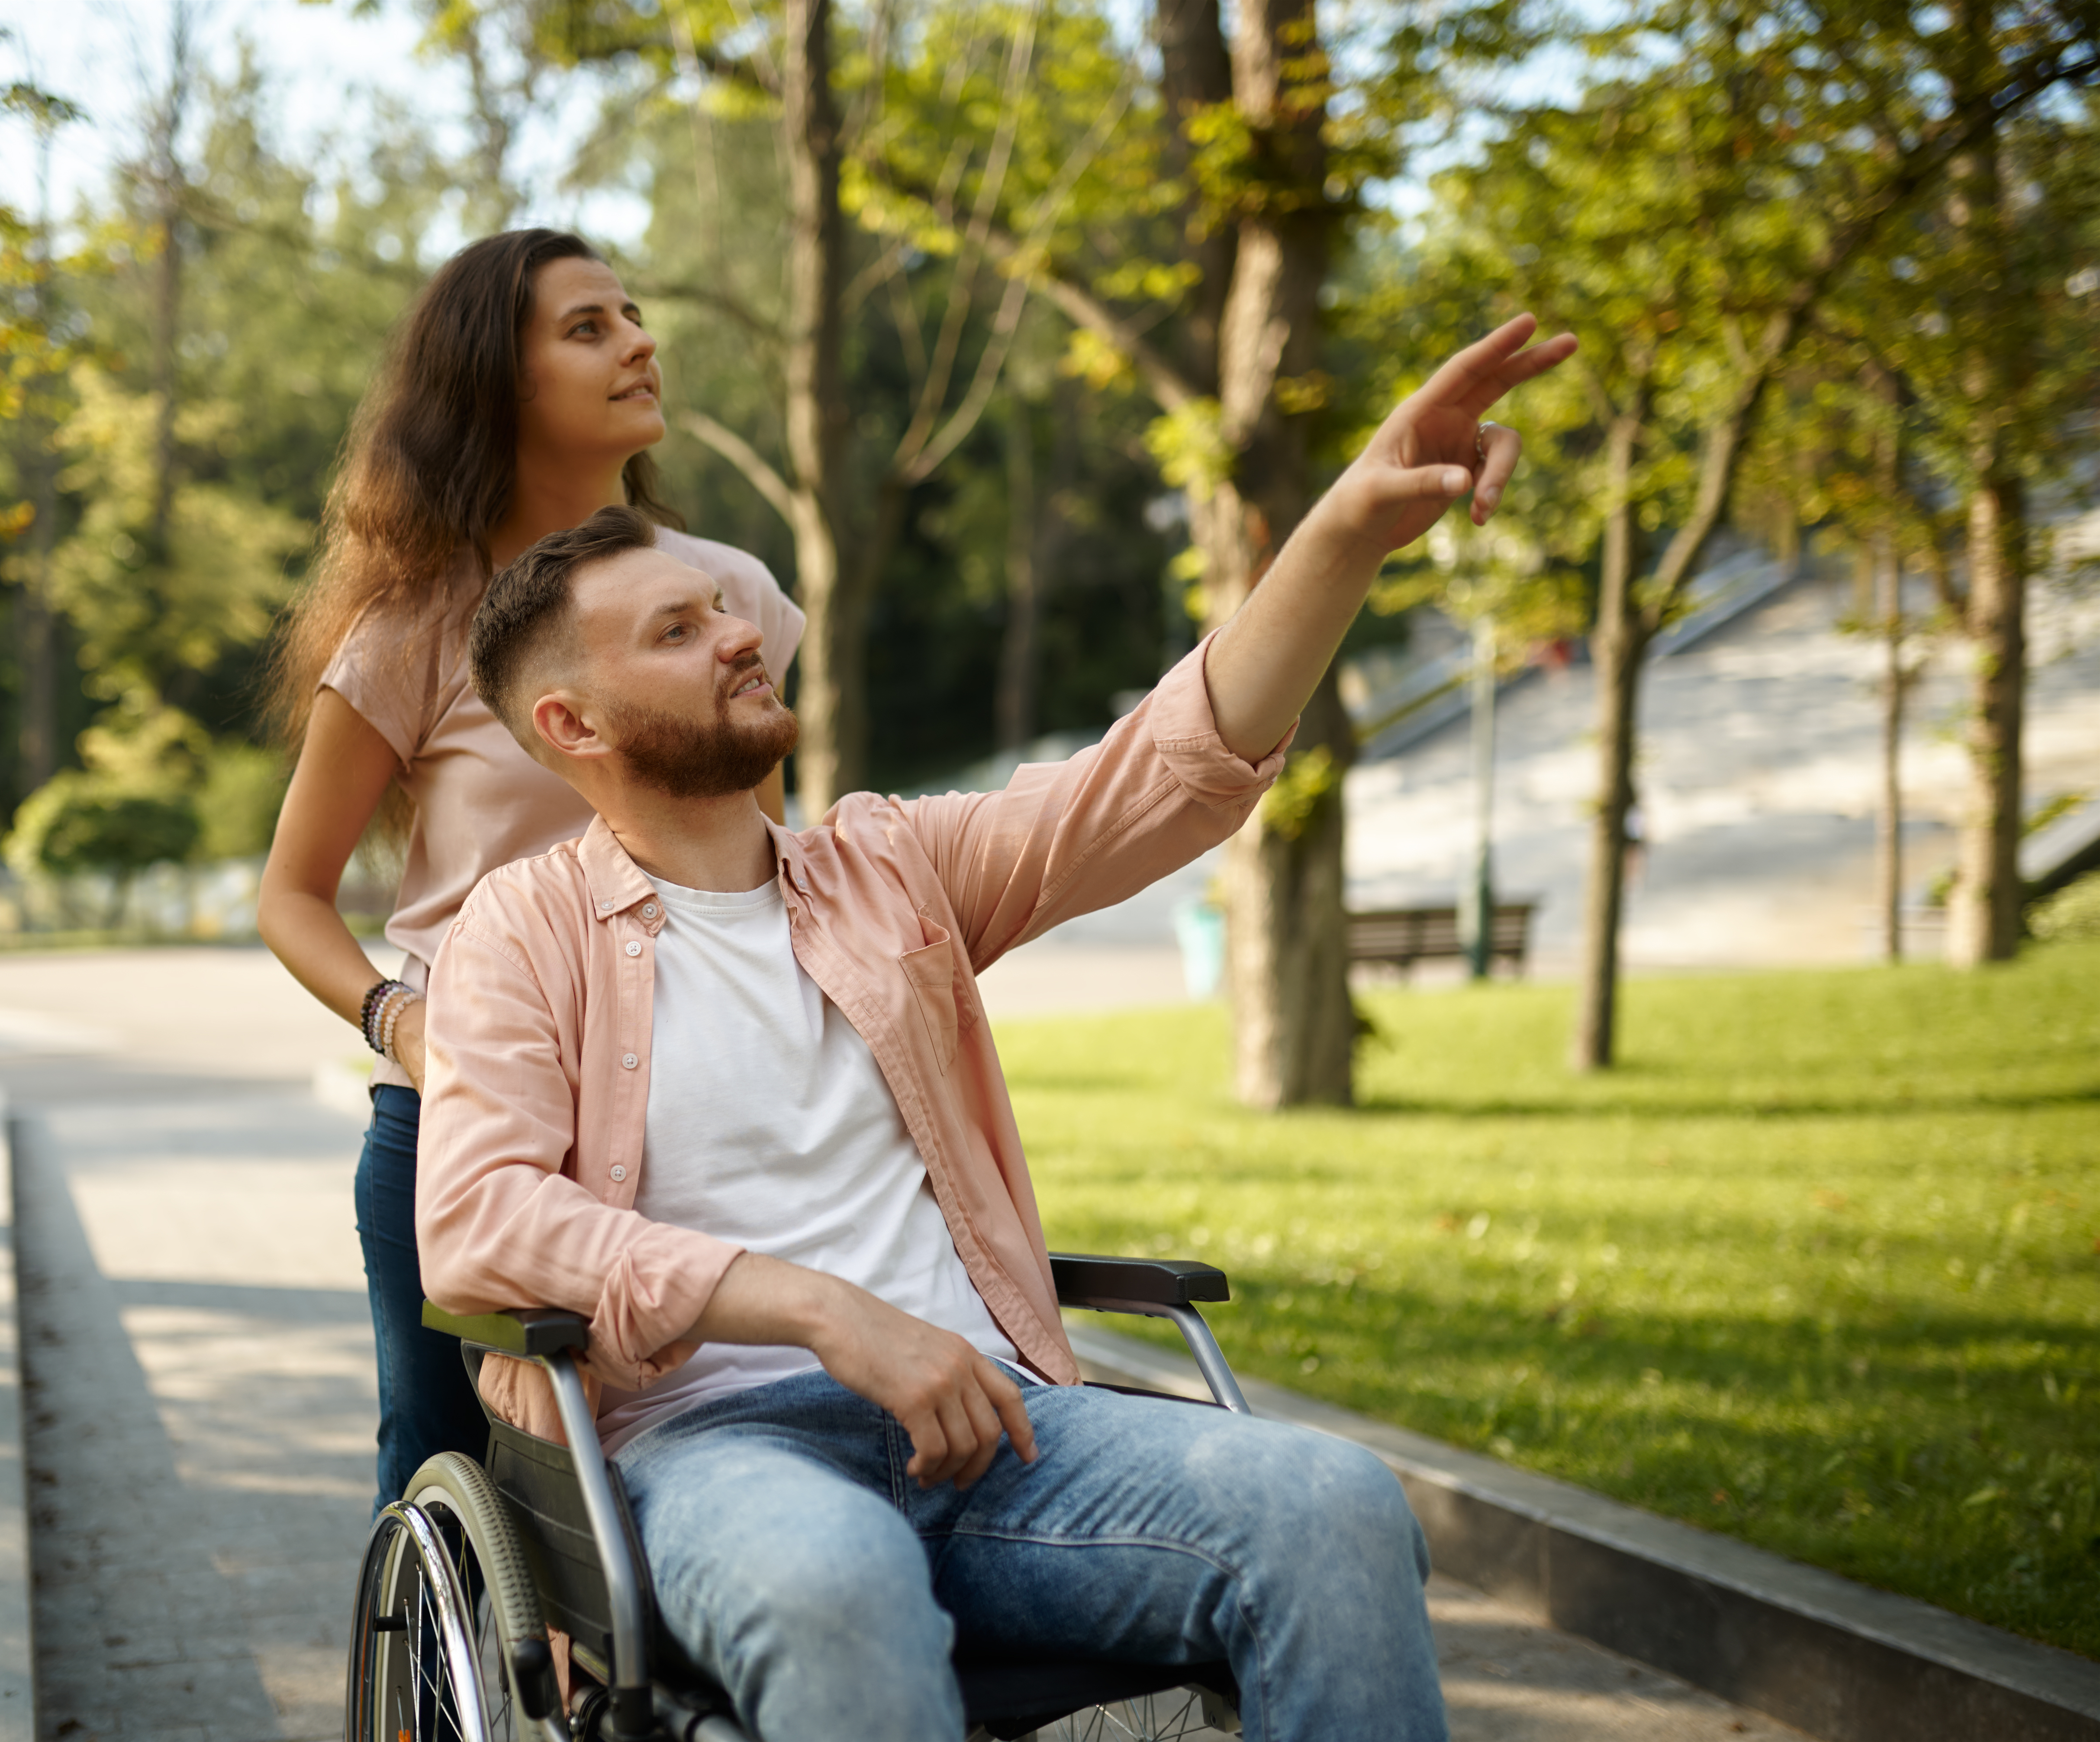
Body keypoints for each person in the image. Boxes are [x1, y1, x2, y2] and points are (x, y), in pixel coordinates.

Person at [416, 316, 1575, 1741]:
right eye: (676, 630)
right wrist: (825, 1313)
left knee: (1331, 1505)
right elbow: (479, 1223)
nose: (736, 632)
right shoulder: (520, 933)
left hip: (1002, 1434)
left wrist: (1344, 528)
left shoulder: (889, 865)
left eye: (721, 605)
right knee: (838, 1581)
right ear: (574, 726)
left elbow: (1165, 775)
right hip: (713, 1453)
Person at [256, 230, 805, 1518]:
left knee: (715, 1466)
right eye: (588, 327)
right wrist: (406, 1027)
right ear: (495, 386)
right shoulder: (415, 628)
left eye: (633, 312)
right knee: (451, 1485)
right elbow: (290, 896)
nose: (639, 341)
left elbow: (758, 860)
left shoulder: (731, 595)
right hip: (465, 1120)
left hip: (694, 1116)